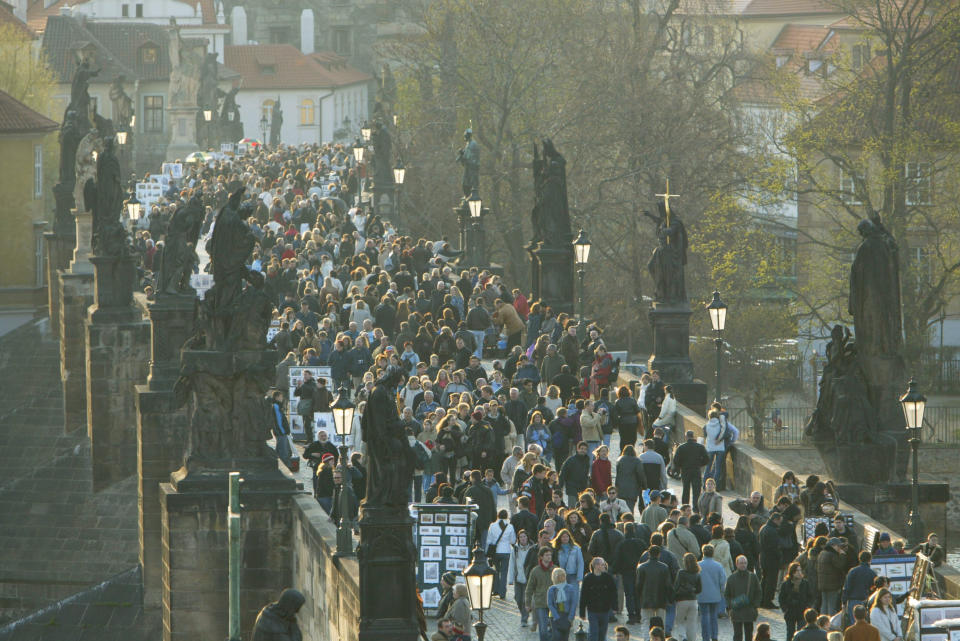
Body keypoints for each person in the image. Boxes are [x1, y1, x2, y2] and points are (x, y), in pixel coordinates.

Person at [635, 544, 673, 632]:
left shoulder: (642, 567)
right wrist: (670, 598)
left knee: (646, 622)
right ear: (659, 554)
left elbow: (638, 585)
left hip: (646, 599)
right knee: (661, 623)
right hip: (661, 599)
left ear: (649, 553)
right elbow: (668, 585)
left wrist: (639, 597)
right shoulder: (664, 567)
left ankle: (647, 638)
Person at [725, 555, 761, 641]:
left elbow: (758, 592)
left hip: (749, 610)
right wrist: (731, 605)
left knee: (749, 634)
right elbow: (727, 594)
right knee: (737, 635)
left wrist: (755, 605)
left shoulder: (752, 577)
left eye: (745, 563)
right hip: (736, 610)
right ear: (736, 564)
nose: (743, 565)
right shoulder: (731, 578)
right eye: (741, 563)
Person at [580, 556, 617, 641]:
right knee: (594, 633)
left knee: (602, 633)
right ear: (596, 566)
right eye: (602, 565)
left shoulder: (608, 578)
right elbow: (584, 595)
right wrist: (582, 613)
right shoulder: (588, 579)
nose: (604, 566)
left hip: (605, 610)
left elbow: (613, 593)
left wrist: (615, 607)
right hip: (592, 610)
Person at [527, 546, 557, 641]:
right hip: (540, 603)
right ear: (541, 557)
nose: (549, 557)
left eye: (550, 555)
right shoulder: (535, 571)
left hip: (554, 603)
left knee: (555, 628)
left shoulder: (555, 570)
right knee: (543, 629)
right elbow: (529, 588)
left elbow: (562, 586)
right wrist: (527, 603)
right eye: (546, 555)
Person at [509, 529, 537, 627]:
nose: (523, 539)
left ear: (527, 537)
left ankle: (524, 619)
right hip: (518, 577)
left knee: (525, 599)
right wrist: (510, 579)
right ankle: (525, 612)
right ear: (518, 539)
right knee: (518, 598)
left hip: (528, 578)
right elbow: (511, 563)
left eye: (524, 536)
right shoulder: (515, 549)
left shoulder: (532, 549)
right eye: (521, 537)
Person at [699, 544, 727, 641]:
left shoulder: (698, 565)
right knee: (713, 616)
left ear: (703, 553)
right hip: (715, 595)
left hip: (702, 595)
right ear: (713, 553)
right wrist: (722, 592)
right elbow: (723, 580)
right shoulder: (718, 565)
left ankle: (705, 637)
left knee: (704, 616)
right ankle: (714, 636)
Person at [780, 562, 815, 641]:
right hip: (790, 612)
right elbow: (781, 598)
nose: (800, 573)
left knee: (801, 633)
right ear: (792, 572)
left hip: (801, 611)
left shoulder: (805, 583)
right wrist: (785, 609)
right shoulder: (786, 584)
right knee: (790, 633)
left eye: (800, 570)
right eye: (797, 571)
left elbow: (811, 596)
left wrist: (807, 606)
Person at [487, 509, 517, 599]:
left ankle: (495, 589)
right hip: (506, 551)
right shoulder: (510, 526)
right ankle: (503, 592)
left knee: (496, 570)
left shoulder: (492, 525)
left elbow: (489, 540)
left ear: (498, 516)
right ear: (506, 516)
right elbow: (512, 540)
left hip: (495, 551)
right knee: (504, 572)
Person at [674, 430, 710, 505]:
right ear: (693, 436)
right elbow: (707, 459)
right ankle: (696, 507)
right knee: (696, 490)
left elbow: (676, 460)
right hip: (696, 470)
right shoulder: (700, 447)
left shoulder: (681, 447)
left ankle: (685, 506)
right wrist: (700, 464)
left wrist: (681, 466)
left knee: (686, 489)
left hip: (685, 470)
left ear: (686, 436)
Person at [842, 552, 876, 628]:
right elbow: (874, 588)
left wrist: (844, 602)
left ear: (859, 559)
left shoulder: (853, 571)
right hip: (865, 601)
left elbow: (847, 587)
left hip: (853, 600)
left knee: (854, 624)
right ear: (870, 560)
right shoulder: (872, 573)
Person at [674, 552, 702, 641]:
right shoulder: (697, 574)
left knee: (679, 621)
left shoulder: (681, 573)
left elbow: (676, 586)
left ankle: (682, 637)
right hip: (693, 600)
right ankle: (691, 639)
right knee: (692, 623)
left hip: (682, 600)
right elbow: (699, 589)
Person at [817, 538, 849, 616]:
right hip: (832, 585)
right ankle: (830, 623)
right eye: (838, 546)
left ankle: (822, 622)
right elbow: (840, 565)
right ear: (833, 546)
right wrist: (842, 554)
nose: (839, 548)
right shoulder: (832, 555)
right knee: (831, 605)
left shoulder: (822, 553)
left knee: (824, 604)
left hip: (822, 584)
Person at [758, 511, 783, 608]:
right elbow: (774, 547)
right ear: (775, 520)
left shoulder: (763, 528)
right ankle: (767, 601)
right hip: (771, 559)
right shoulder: (772, 531)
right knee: (771, 581)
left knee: (765, 579)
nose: (780, 523)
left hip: (764, 557)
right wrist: (779, 555)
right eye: (779, 521)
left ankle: (762, 600)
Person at [548, 567, 578, 641]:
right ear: (555, 577)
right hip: (554, 616)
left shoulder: (570, 588)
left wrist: (571, 617)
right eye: (559, 575)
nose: (562, 577)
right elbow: (550, 604)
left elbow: (573, 603)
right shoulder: (552, 589)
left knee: (564, 637)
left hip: (566, 615)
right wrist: (556, 617)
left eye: (563, 575)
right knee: (556, 637)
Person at [615, 445, 645, 514]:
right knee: (630, 509)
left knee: (620, 509)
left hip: (620, 488)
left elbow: (617, 474)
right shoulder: (637, 461)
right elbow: (640, 475)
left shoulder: (619, 460)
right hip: (633, 489)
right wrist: (643, 486)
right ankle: (629, 522)